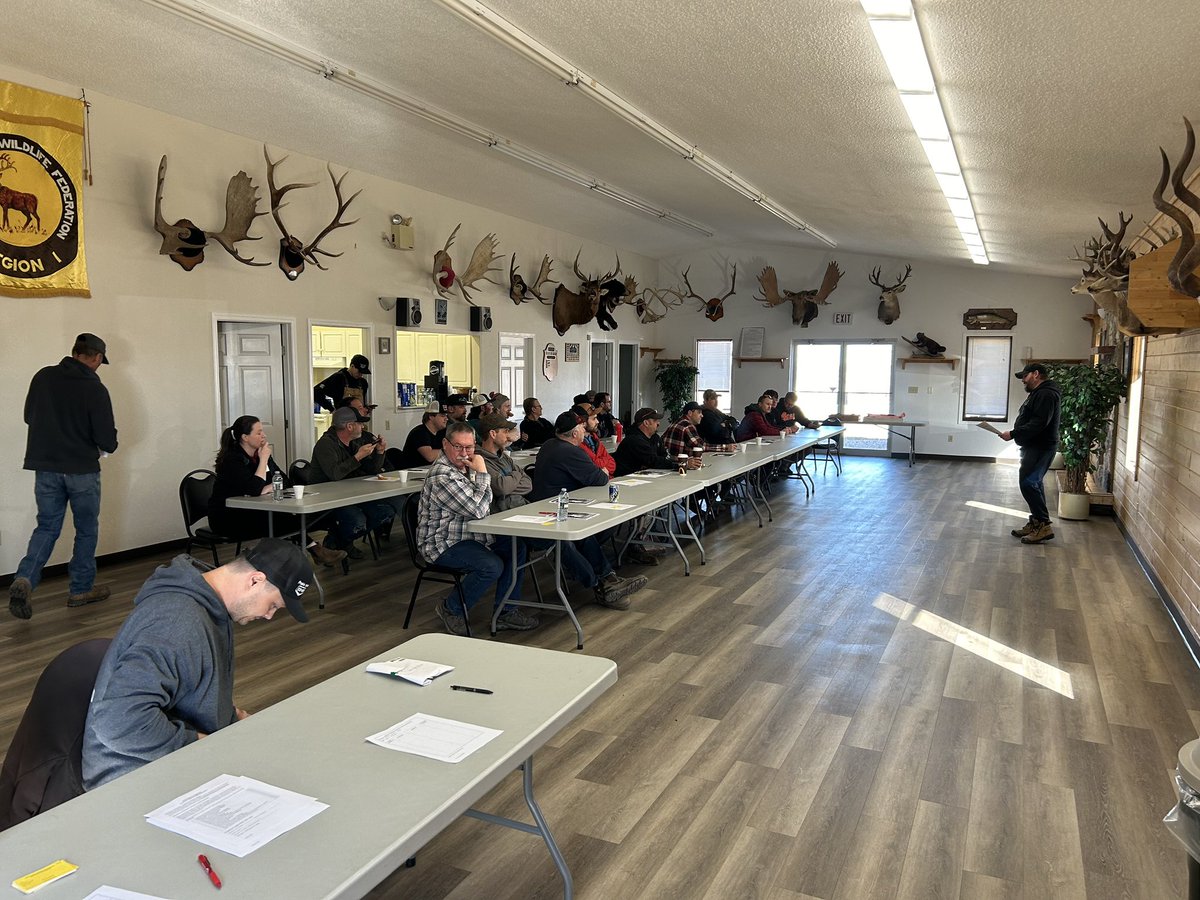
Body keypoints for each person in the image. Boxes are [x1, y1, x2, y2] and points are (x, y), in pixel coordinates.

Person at [82, 539, 314, 789]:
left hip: (161, 763)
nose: (269, 616)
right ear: (255, 580)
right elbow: (118, 722)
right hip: (129, 778)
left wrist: (226, 715)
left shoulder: (207, 605)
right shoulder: (177, 623)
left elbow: (188, 684)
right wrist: (208, 747)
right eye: (273, 605)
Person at [10, 333, 118, 620]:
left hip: (45, 467)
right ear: (95, 357)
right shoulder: (94, 388)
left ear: (74, 353)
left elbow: (29, 416)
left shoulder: (43, 377)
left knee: (46, 527)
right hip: (81, 470)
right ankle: (81, 589)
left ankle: (24, 578)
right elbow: (106, 438)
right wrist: (106, 445)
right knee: (86, 529)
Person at [417, 421, 536, 634]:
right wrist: (483, 474)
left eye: (469, 447)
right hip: (443, 542)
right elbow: (479, 509)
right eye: (458, 447)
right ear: (445, 444)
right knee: (491, 565)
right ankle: (451, 609)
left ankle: (505, 612)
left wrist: (480, 475)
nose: (464, 452)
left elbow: (483, 504)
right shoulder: (442, 475)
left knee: (516, 547)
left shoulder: (467, 467)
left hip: (474, 536)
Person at [530, 412, 645, 609]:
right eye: (582, 428)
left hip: (553, 507)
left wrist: (599, 470)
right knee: (584, 534)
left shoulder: (550, 445)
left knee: (591, 532)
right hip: (555, 512)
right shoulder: (570, 451)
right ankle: (604, 583)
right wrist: (600, 471)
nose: (585, 431)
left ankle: (608, 581)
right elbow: (600, 478)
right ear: (574, 434)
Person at [207, 416, 346, 567]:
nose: (264, 436)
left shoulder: (259, 454)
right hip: (228, 518)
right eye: (259, 433)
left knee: (285, 517)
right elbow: (255, 489)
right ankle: (311, 552)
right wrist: (264, 461)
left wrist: (267, 486)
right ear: (245, 437)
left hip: (253, 511)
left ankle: (310, 552)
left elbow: (284, 480)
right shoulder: (232, 460)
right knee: (281, 519)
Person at [308, 406, 395, 555]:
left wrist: (380, 452)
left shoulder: (352, 444)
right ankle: (340, 542)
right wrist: (357, 457)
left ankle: (338, 542)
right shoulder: (325, 445)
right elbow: (334, 474)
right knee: (357, 521)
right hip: (327, 499)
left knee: (385, 512)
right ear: (349, 426)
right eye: (359, 423)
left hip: (351, 495)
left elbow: (371, 470)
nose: (363, 426)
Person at [1002, 363, 1062, 545]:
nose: (1022, 380)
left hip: (1040, 446)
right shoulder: (1040, 393)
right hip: (1034, 446)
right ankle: (1036, 522)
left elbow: (1039, 423)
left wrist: (1013, 434)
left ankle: (1043, 525)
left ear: (1036, 374)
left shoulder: (1046, 394)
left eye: (1025, 376)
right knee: (1033, 483)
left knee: (1029, 483)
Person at [614, 408, 700, 476]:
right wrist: (682, 464)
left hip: (645, 476)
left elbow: (664, 456)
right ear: (646, 423)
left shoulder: (655, 437)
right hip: (626, 479)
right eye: (655, 421)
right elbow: (654, 461)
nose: (658, 423)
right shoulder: (634, 440)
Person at [478, 412, 533, 512]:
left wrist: (508, 484)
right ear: (493, 434)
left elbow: (528, 484)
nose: (509, 435)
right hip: (502, 516)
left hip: (520, 509)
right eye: (506, 431)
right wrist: (517, 473)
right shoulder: (480, 460)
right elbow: (501, 488)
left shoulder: (504, 457)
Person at [664, 402, 736, 457]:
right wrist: (726, 448)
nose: (702, 415)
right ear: (690, 413)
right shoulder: (687, 426)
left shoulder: (675, 423)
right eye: (699, 412)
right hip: (680, 466)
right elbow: (701, 446)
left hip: (671, 462)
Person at [399, 401, 448, 468]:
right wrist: (449, 450)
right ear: (431, 416)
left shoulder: (442, 432)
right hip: (414, 472)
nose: (446, 418)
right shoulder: (419, 433)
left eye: (446, 415)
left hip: (432, 470)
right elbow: (430, 456)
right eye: (442, 416)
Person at [573, 403, 616, 476]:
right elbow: (594, 467)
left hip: (606, 481)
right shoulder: (577, 442)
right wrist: (604, 461)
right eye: (594, 419)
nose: (597, 422)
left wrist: (601, 465)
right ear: (583, 422)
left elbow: (613, 464)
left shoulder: (594, 437)